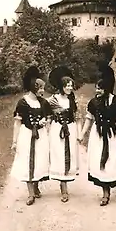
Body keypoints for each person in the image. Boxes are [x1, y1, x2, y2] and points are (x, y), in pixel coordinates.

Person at [77, 62, 116, 206]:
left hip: (113, 136)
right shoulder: (94, 103)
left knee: (111, 161)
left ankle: (109, 188)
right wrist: (82, 134)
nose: (97, 91)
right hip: (98, 136)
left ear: (106, 89)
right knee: (100, 162)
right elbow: (89, 119)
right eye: (96, 88)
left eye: (99, 89)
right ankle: (105, 193)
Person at [10, 66, 52, 205]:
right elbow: (17, 123)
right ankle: (30, 194)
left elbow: (48, 119)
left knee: (39, 161)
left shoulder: (43, 102)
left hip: (40, 136)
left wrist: (45, 122)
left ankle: (36, 186)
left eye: (43, 88)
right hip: (27, 135)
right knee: (28, 161)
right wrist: (14, 141)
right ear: (34, 88)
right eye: (40, 88)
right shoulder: (23, 102)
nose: (42, 91)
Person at [47, 66, 81, 202]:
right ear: (62, 86)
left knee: (70, 154)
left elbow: (77, 117)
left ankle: (65, 182)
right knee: (59, 155)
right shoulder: (52, 100)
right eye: (67, 86)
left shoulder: (72, 100)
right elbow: (47, 115)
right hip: (57, 129)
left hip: (70, 129)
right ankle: (63, 189)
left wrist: (79, 133)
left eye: (71, 86)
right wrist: (46, 127)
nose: (70, 88)